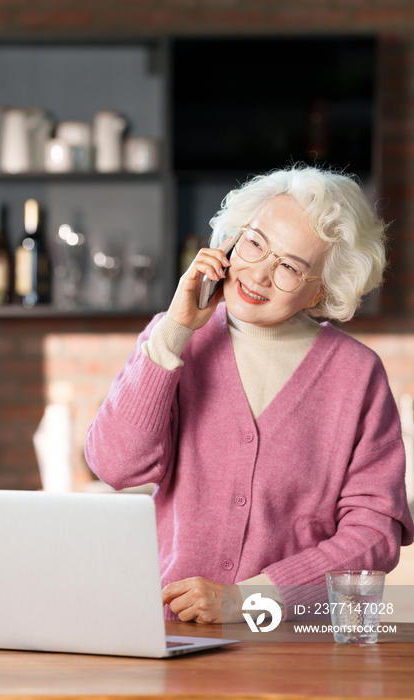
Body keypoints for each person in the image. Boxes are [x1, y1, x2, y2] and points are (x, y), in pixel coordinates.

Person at [85, 165, 414, 624]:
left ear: (322, 288)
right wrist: (175, 329)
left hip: (293, 646)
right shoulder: (178, 340)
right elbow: (116, 466)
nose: (258, 275)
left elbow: (374, 533)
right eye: (255, 242)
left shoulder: (357, 375)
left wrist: (252, 600)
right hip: (172, 638)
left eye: (290, 267)